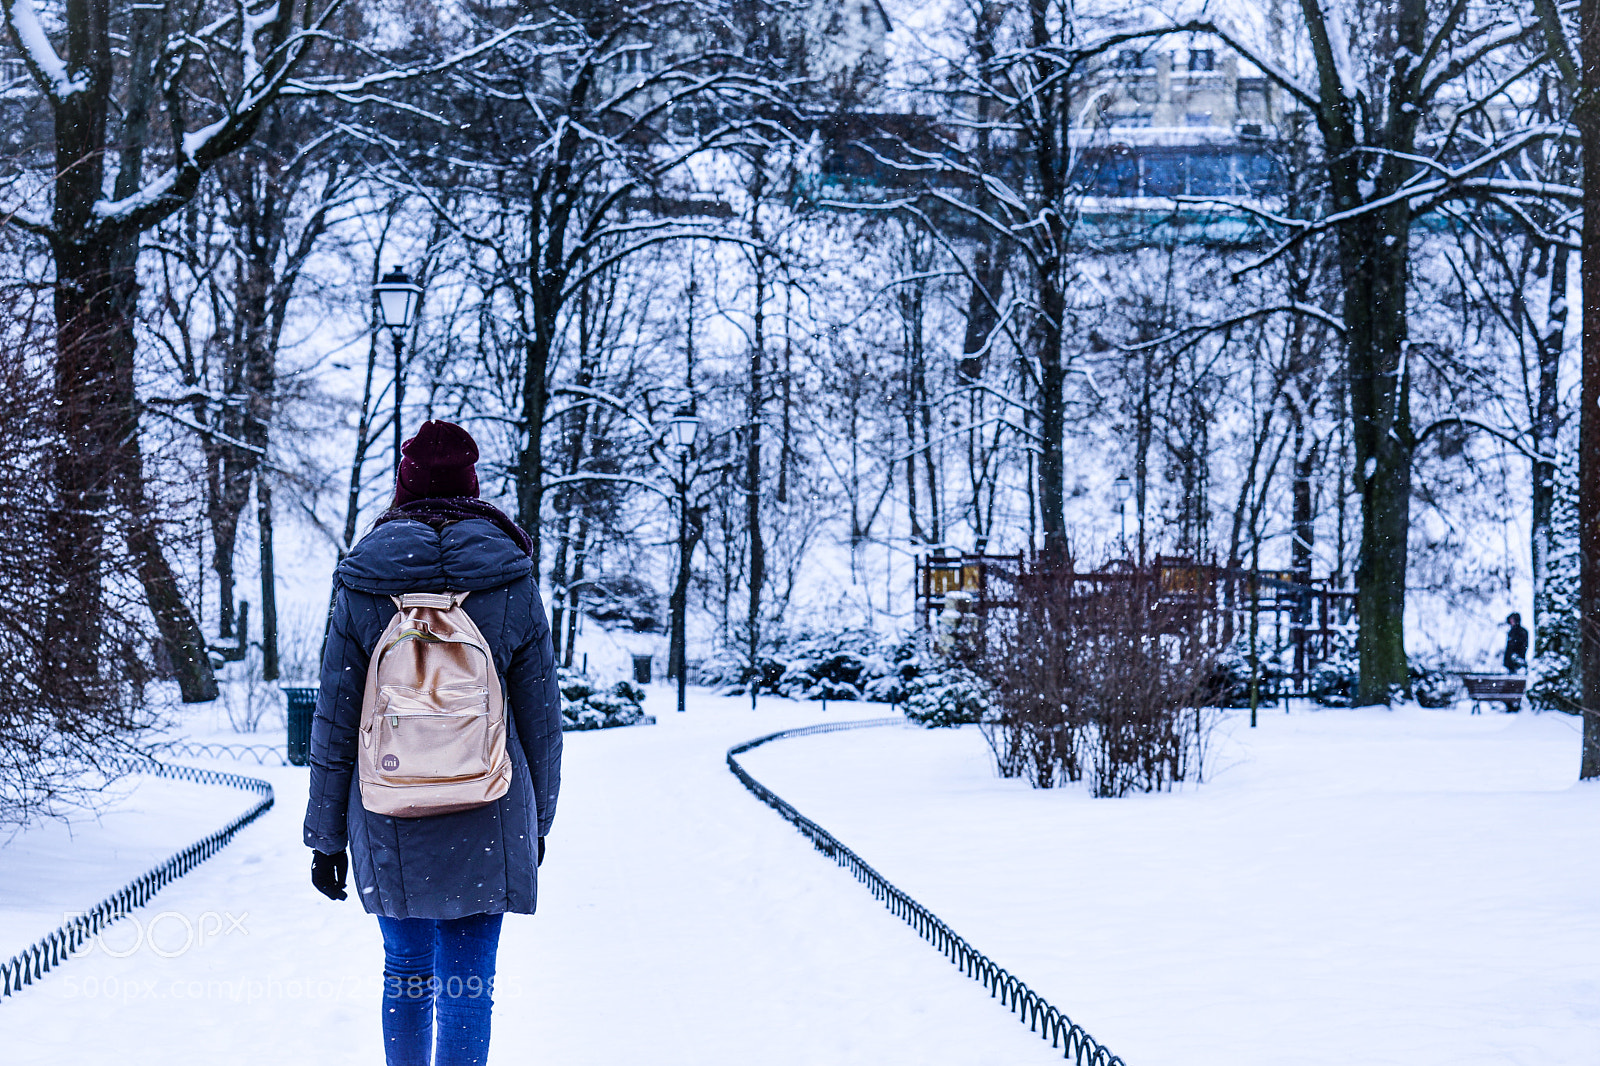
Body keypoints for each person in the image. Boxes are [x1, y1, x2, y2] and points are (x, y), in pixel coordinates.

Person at [303, 420, 563, 1066]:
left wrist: (325, 838)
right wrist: (540, 822)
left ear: (404, 487)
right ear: (472, 488)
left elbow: (335, 720)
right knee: (470, 986)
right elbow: (542, 721)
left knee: (407, 971)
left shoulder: (363, 580)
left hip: (390, 804)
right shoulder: (511, 578)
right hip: (491, 804)